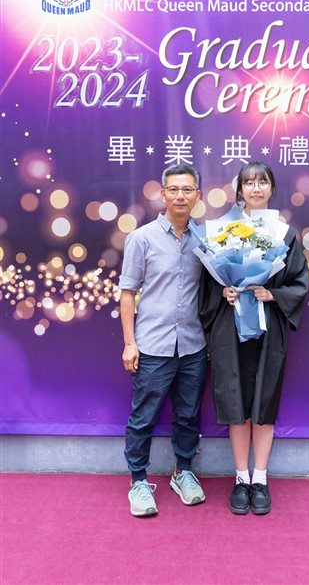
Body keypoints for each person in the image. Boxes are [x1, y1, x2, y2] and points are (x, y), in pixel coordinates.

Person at [200, 162, 309, 515]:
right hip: (230, 325)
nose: (256, 188)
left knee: (264, 400)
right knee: (236, 401)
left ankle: (260, 478)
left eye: (263, 182)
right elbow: (205, 283)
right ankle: (241, 478)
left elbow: (299, 283)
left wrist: (272, 294)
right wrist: (223, 292)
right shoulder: (222, 231)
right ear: (240, 190)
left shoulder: (284, 234)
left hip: (268, 325)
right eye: (249, 182)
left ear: (272, 188)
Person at [119, 164, 207, 517]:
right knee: (143, 417)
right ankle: (138, 481)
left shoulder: (206, 240)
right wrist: (130, 343)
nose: (180, 196)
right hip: (152, 346)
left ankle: (182, 471)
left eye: (187, 190)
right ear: (163, 193)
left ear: (198, 195)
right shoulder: (142, 238)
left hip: (193, 346)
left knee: (188, 415)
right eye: (174, 189)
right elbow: (127, 292)